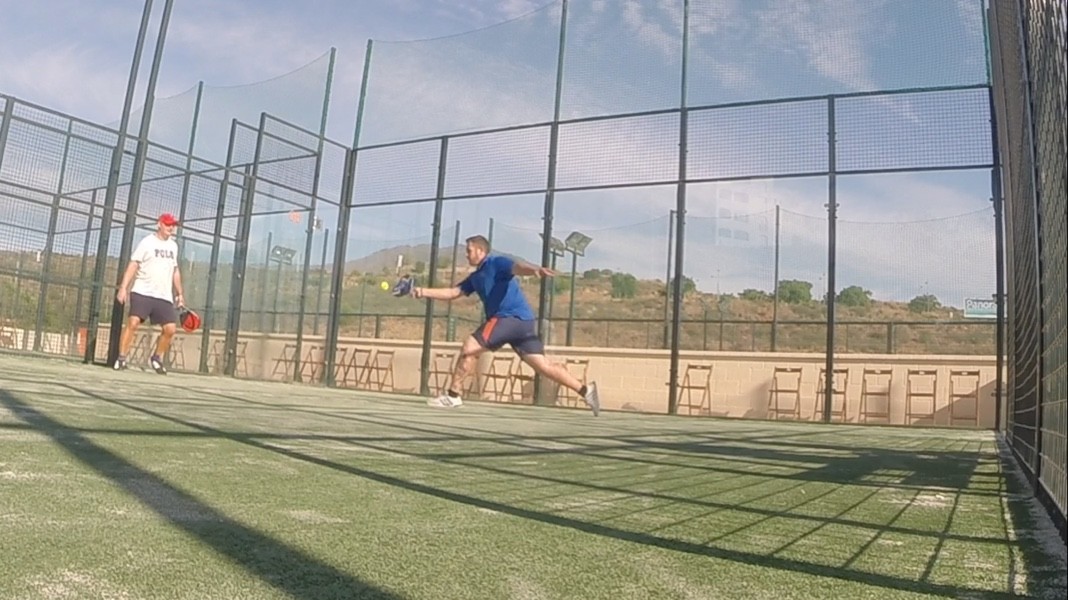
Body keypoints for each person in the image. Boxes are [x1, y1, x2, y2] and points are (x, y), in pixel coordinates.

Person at [411, 235, 600, 415]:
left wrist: (534, 270)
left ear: (481, 250)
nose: (466, 255)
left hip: (506, 319)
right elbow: (453, 293)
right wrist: (421, 291)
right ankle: (586, 391)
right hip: (525, 324)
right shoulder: (475, 277)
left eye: (469, 251)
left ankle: (453, 396)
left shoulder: (496, 262)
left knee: (469, 347)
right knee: (543, 366)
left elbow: (517, 267)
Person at [113, 212, 186, 374]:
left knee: (170, 329)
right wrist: (123, 288)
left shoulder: (173, 246)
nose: (171, 228)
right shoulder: (147, 242)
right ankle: (121, 358)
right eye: (168, 224)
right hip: (142, 292)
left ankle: (157, 359)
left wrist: (180, 294)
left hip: (164, 296)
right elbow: (133, 265)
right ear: (159, 224)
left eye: (173, 225)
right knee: (133, 323)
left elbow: (175, 271)